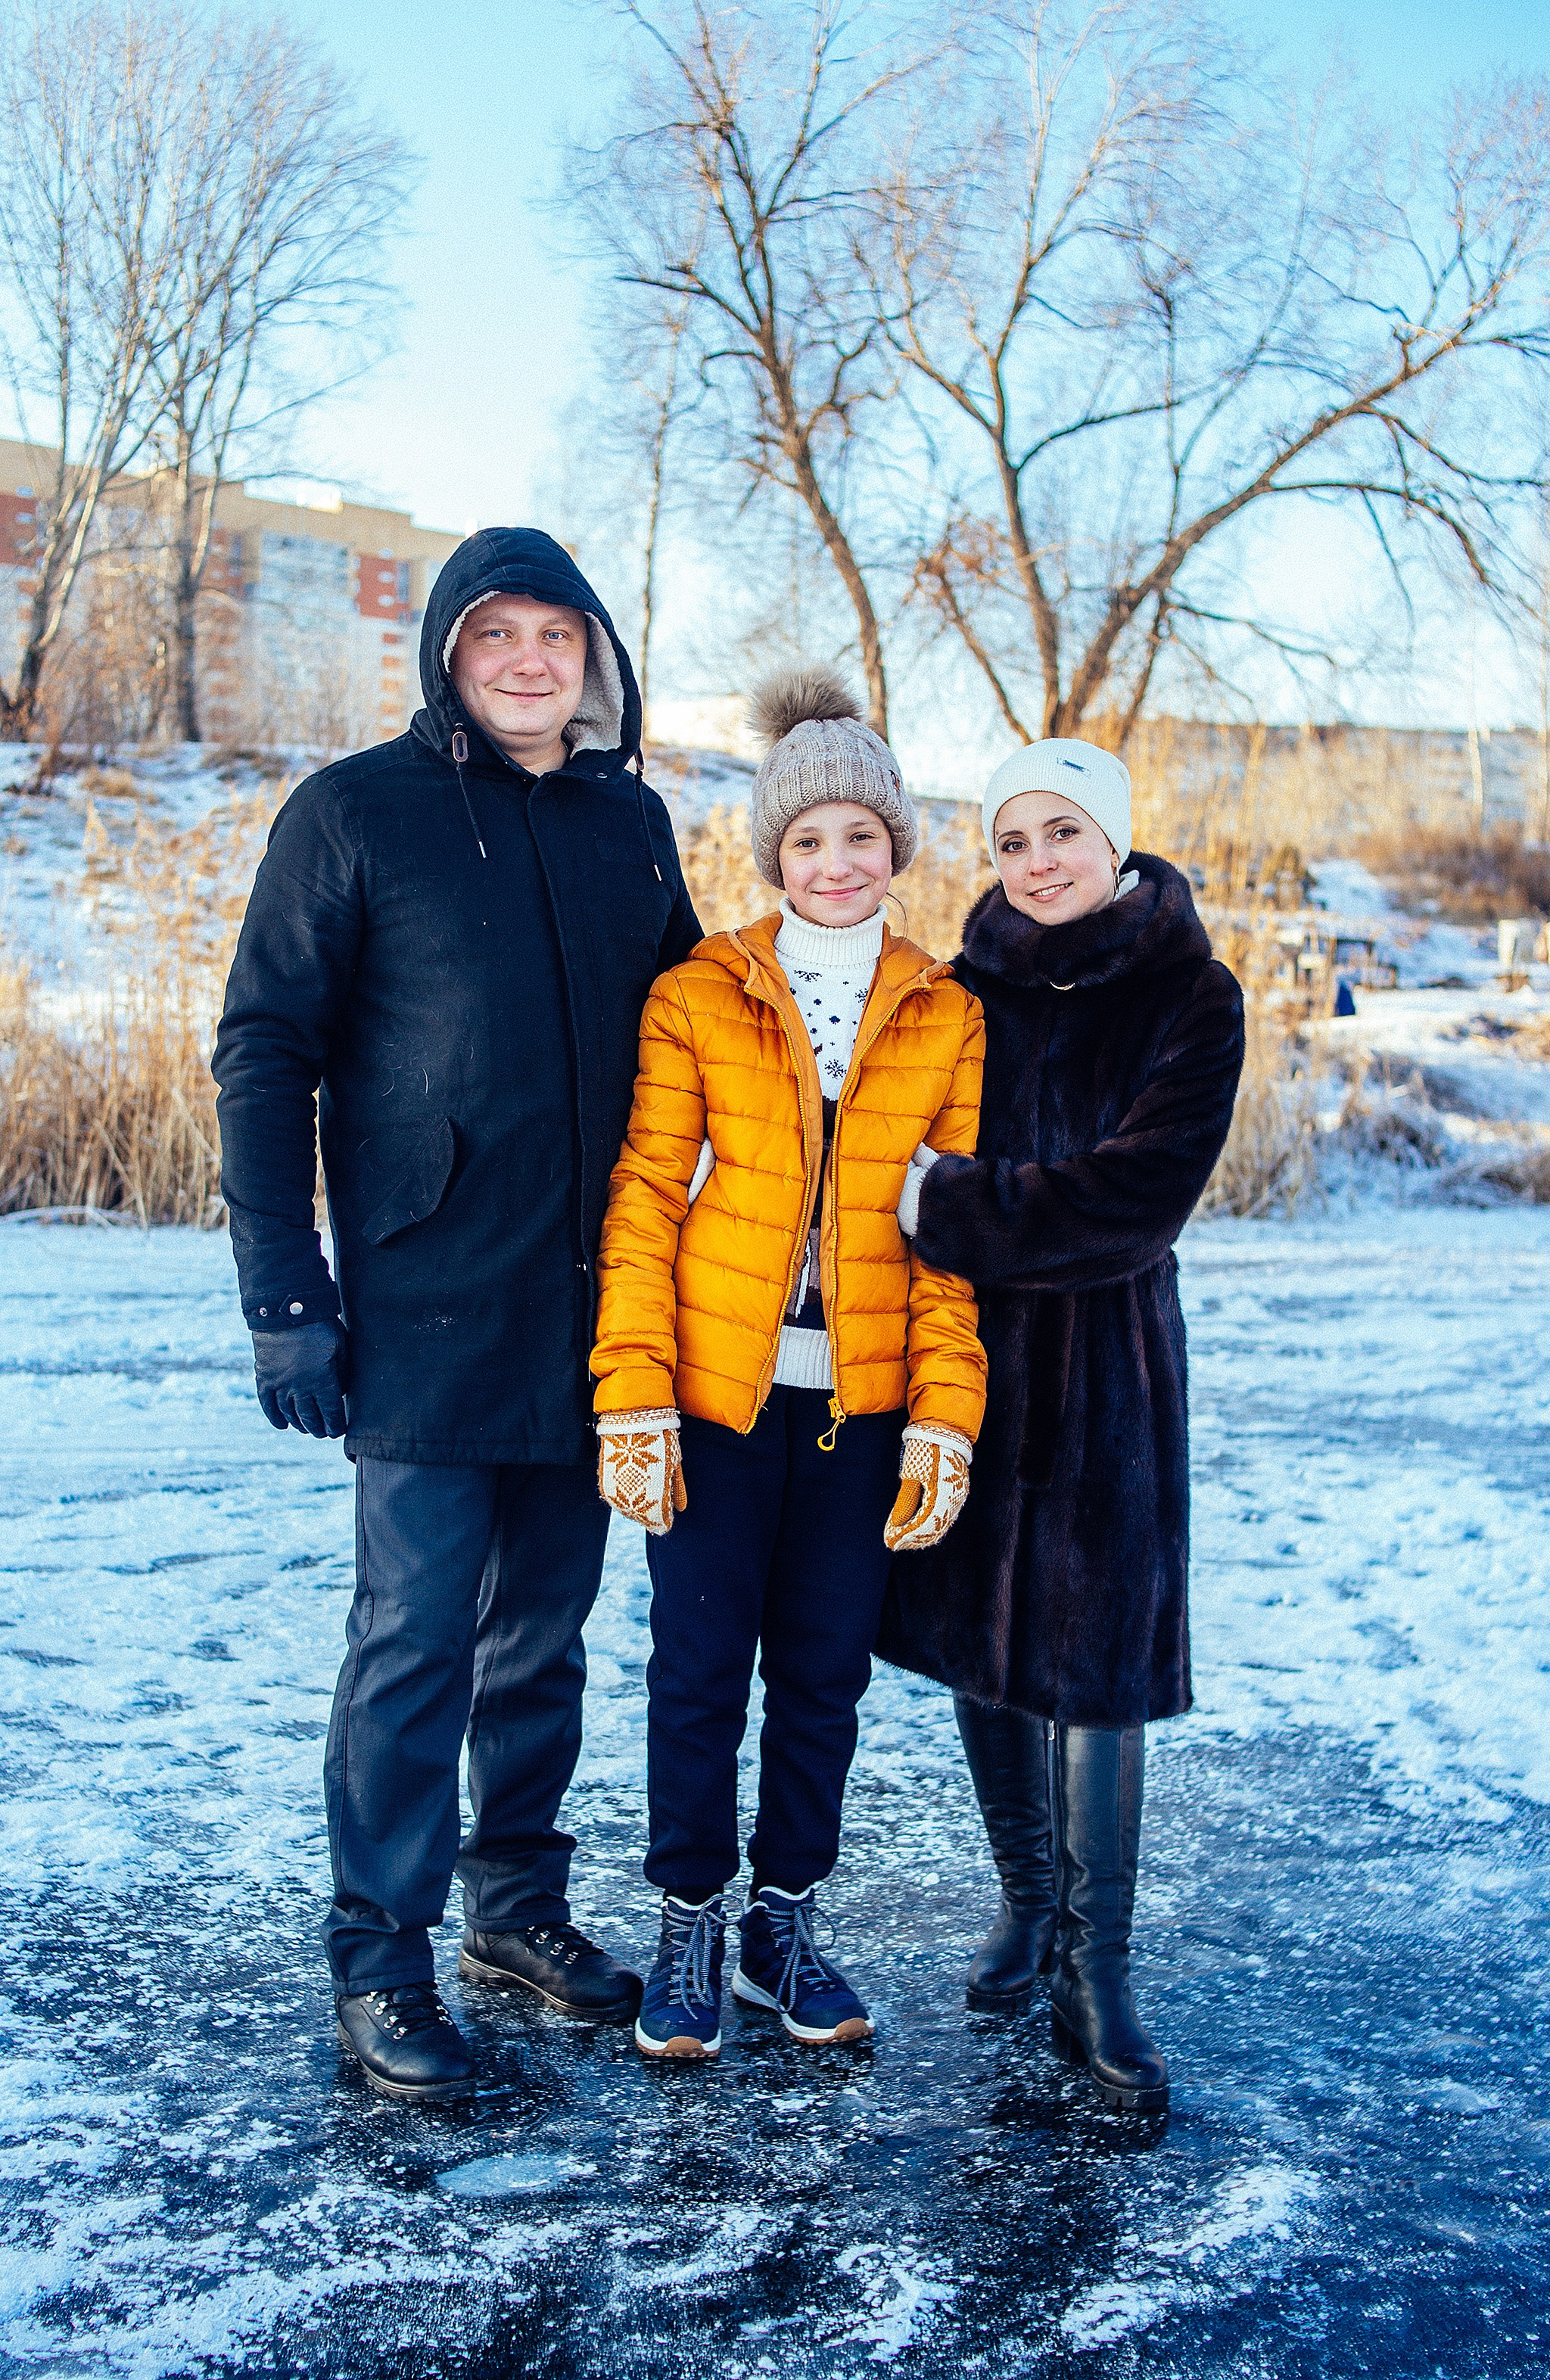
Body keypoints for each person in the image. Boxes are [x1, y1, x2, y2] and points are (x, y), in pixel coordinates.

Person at [213, 529, 700, 2103]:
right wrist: (288, 1292)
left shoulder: (630, 824)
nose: (528, 661)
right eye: (496, 633)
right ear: (447, 651)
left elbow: (702, 1045)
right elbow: (263, 1050)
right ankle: (381, 1960)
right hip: (424, 1299)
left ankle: (517, 1911)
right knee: (415, 1640)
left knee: (543, 1636)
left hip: (597, 1303)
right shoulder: (355, 811)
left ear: (594, 657)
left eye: (557, 635)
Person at [589, 666, 987, 2060]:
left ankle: (784, 1924)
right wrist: (631, 1383)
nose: (835, 862)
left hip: (861, 1409)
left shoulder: (944, 1010)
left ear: (896, 848)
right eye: (806, 840)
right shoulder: (702, 992)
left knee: (824, 1675)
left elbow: (952, 1235)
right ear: (773, 855)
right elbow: (644, 1191)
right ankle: (689, 1921)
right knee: (700, 1669)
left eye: (861, 837)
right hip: (714, 1398)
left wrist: (946, 1414)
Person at [879, 738, 1244, 2115]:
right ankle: (1027, 1903)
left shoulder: (1192, 996)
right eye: (1013, 839)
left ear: (1119, 843)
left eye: (1062, 834)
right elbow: (890, 1150)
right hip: (970, 1361)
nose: (1037, 863)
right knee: (988, 1639)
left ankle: (1100, 1969)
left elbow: (1135, 1195)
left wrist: (956, 1206)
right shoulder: (963, 991)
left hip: (1108, 1371)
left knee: (1094, 1661)